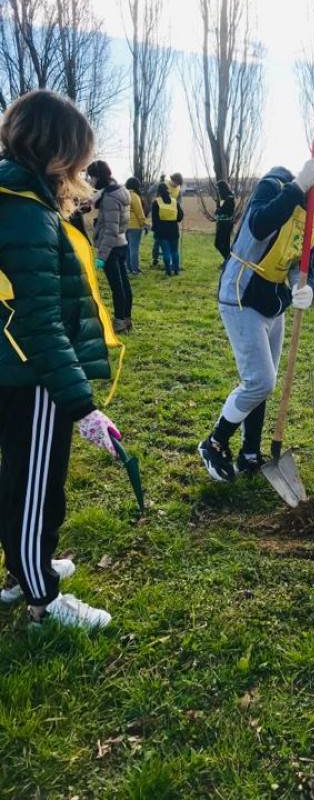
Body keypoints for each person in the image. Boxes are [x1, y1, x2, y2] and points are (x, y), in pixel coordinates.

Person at [0, 90, 122, 629]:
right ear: (57, 151)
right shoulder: (27, 212)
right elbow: (41, 322)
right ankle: (42, 601)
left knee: (19, 480)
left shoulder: (20, 199)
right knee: (36, 487)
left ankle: (22, 571)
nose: (81, 168)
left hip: (19, 369)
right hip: (34, 378)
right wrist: (82, 406)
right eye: (78, 155)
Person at [198, 149, 314, 480]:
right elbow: (259, 226)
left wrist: (304, 288)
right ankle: (214, 443)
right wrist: (297, 188)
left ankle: (248, 453)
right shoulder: (275, 186)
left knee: (262, 384)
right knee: (260, 380)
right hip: (241, 295)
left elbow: (307, 265)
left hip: (274, 302)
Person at [87, 160, 132, 333]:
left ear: (98, 177)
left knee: (117, 288)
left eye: (92, 177)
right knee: (125, 285)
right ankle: (127, 319)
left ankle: (119, 322)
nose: (91, 181)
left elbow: (111, 231)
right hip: (122, 244)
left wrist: (101, 257)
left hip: (112, 248)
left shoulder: (110, 199)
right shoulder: (119, 190)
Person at [151, 182, 184, 276]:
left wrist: (155, 230)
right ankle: (176, 270)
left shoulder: (156, 202)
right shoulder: (174, 202)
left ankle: (168, 270)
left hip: (162, 231)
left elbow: (154, 219)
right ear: (168, 190)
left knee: (166, 251)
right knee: (174, 251)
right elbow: (180, 216)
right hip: (174, 229)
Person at [125, 176, 147, 274]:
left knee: (126, 249)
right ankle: (135, 269)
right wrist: (144, 224)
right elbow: (139, 212)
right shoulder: (134, 196)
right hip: (135, 226)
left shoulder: (123, 195)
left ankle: (127, 268)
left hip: (123, 226)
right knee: (134, 249)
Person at [214, 179, 236, 261]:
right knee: (225, 245)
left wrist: (218, 211)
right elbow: (220, 209)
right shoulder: (224, 198)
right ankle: (227, 261)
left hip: (226, 224)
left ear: (222, 188)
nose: (218, 191)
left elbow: (225, 211)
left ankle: (228, 260)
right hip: (222, 223)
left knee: (218, 244)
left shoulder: (230, 198)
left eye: (218, 189)